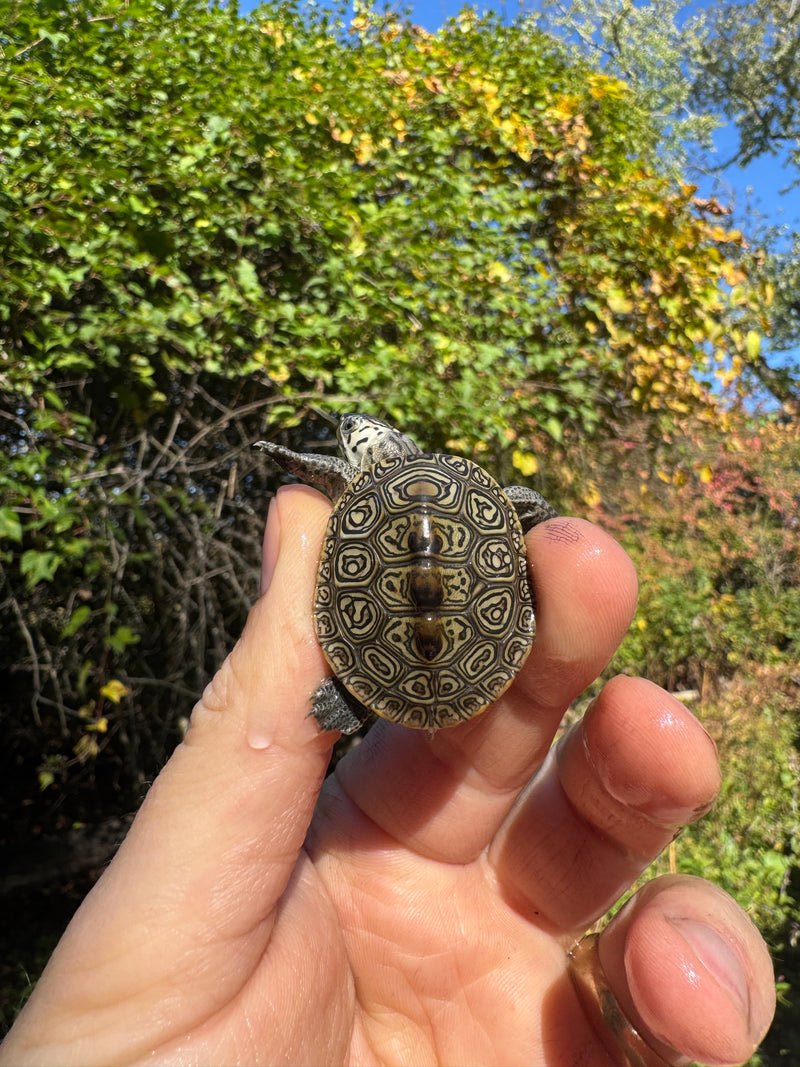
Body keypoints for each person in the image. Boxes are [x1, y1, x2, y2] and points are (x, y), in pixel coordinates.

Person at [0, 487, 775, 1066]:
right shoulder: (479, 501)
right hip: (458, 649)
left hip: (394, 652)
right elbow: (517, 516)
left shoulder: (386, 506)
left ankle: (352, 692)